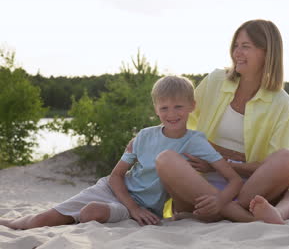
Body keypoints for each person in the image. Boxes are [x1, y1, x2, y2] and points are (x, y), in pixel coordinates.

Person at [0, 76, 242, 229]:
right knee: (40, 221)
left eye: (179, 106)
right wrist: (132, 207)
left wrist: (220, 200)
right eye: (164, 108)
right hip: (112, 190)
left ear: (192, 106)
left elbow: (233, 179)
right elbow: (117, 176)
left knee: (90, 213)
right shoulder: (144, 136)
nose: (172, 114)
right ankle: (8, 222)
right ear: (156, 109)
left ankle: (94, 216)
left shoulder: (196, 141)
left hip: (141, 209)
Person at [156, 19, 289, 222]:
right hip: (199, 185)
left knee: (288, 159)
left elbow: (271, 165)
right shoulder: (216, 80)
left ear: (267, 52)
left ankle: (230, 209)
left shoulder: (280, 102)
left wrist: (220, 163)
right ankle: (239, 216)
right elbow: (179, 122)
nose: (237, 53)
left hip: (248, 190)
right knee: (165, 159)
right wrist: (145, 139)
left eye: (245, 47)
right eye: (236, 46)